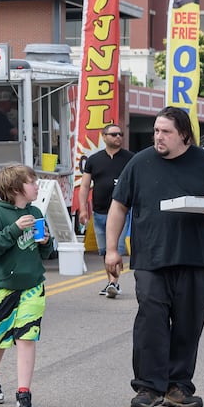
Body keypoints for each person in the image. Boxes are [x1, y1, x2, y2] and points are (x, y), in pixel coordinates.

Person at [105, 107, 204, 407]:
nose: (158, 137)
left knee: (188, 325)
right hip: (151, 257)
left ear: (184, 135)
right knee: (151, 322)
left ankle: (178, 387)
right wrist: (112, 250)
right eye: (156, 130)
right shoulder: (140, 163)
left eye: (165, 132)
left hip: (195, 258)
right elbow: (118, 207)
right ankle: (148, 388)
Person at [0, 165, 55, 407]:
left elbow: (43, 253)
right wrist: (14, 229)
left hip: (32, 286)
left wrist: (46, 242)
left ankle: (24, 394)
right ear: (15, 189)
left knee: (27, 338)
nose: (36, 186)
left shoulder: (34, 211)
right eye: (32, 182)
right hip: (2, 287)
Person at [80, 123, 133, 297]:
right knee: (105, 251)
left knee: (116, 248)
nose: (118, 137)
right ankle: (110, 281)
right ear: (104, 137)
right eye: (113, 134)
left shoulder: (130, 158)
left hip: (121, 212)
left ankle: (114, 283)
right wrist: (83, 210)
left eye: (120, 134)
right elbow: (85, 186)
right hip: (99, 212)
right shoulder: (94, 160)